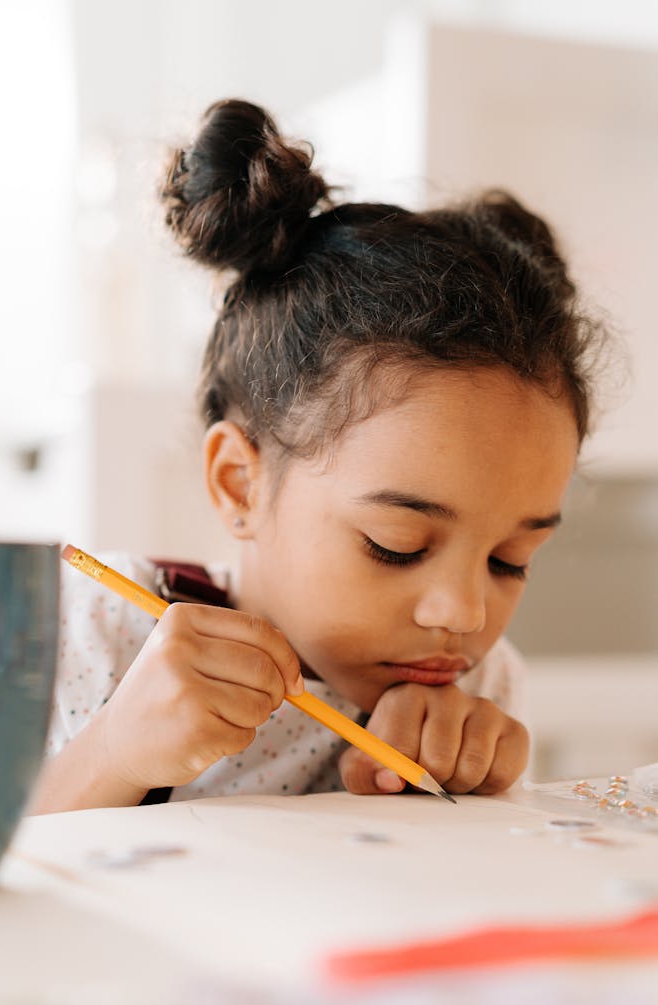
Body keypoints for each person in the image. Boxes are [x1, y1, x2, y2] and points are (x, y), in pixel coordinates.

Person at [32, 99, 604, 814]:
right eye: (396, 545)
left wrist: (469, 801)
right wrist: (114, 752)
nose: (462, 613)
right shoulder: (98, 634)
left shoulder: (478, 692)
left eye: (510, 560)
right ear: (240, 484)